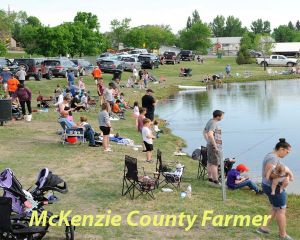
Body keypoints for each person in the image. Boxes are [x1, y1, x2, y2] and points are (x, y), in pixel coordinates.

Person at [257, 138, 294, 240]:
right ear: (281, 149)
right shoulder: (273, 158)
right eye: (287, 152)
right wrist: (285, 176)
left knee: (275, 208)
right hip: (273, 187)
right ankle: (283, 235)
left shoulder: (271, 155)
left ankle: (262, 228)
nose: (287, 154)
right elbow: (268, 174)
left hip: (267, 186)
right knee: (281, 210)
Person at [203, 110, 224, 185]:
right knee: (215, 163)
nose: (222, 117)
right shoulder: (214, 123)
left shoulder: (210, 121)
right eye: (222, 116)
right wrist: (215, 145)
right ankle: (216, 181)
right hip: (213, 146)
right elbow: (210, 134)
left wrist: (207, 141)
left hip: (210, 144)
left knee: (209, 162)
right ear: (218, 116)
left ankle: (210, 178)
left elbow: (204, 131)